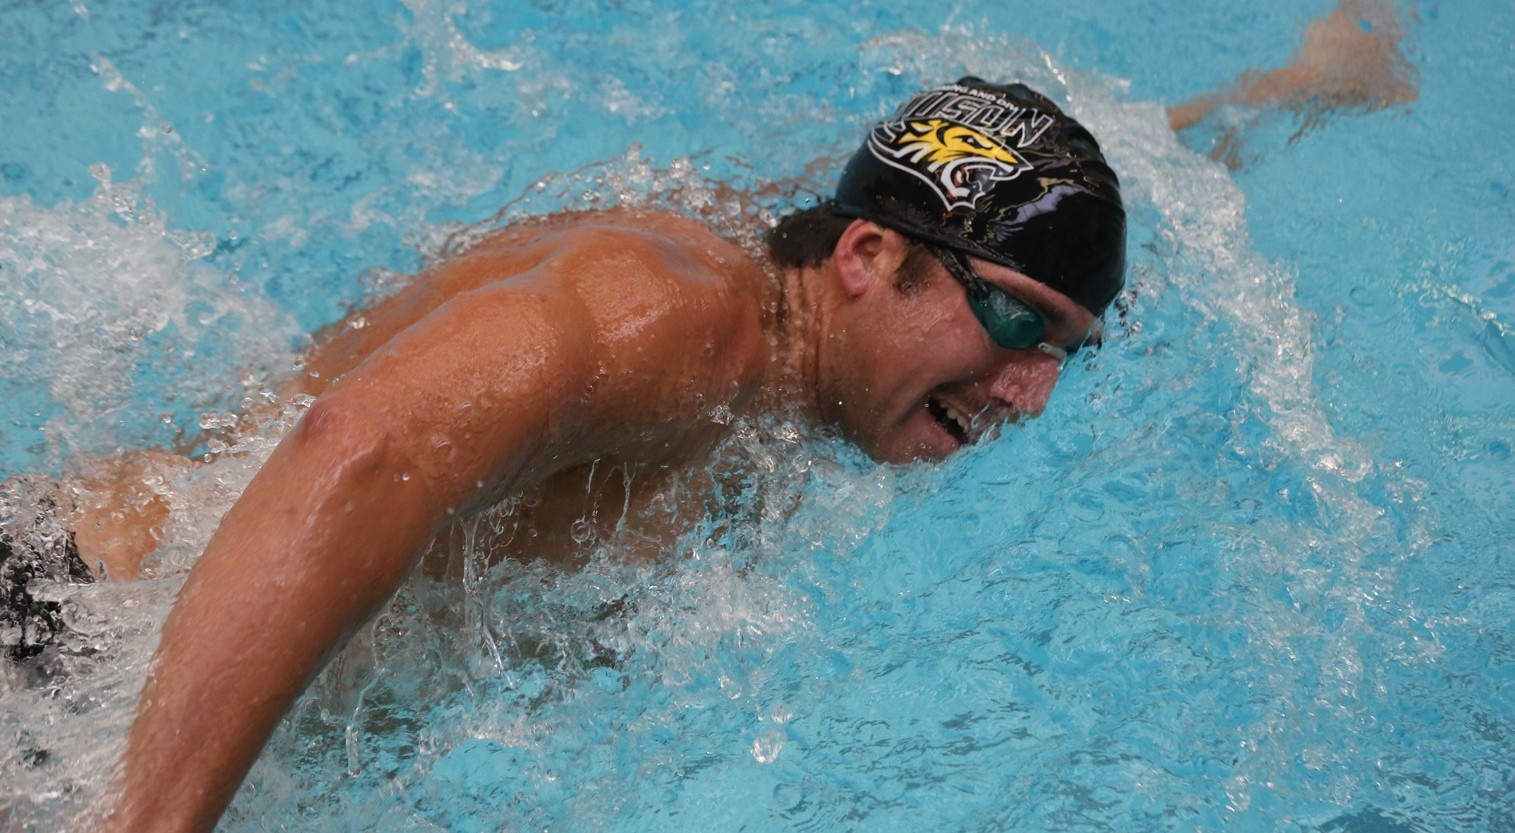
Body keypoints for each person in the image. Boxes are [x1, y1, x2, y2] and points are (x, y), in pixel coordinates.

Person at [0, 4, 1415, 830]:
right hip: (61, 641)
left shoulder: (819, 296)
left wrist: (1290, 93)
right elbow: (356, 447)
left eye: (1068, 350)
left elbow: (1070, 199)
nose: (1030, 390)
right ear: (870, 260)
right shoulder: (670, 322)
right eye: (1015, 326)